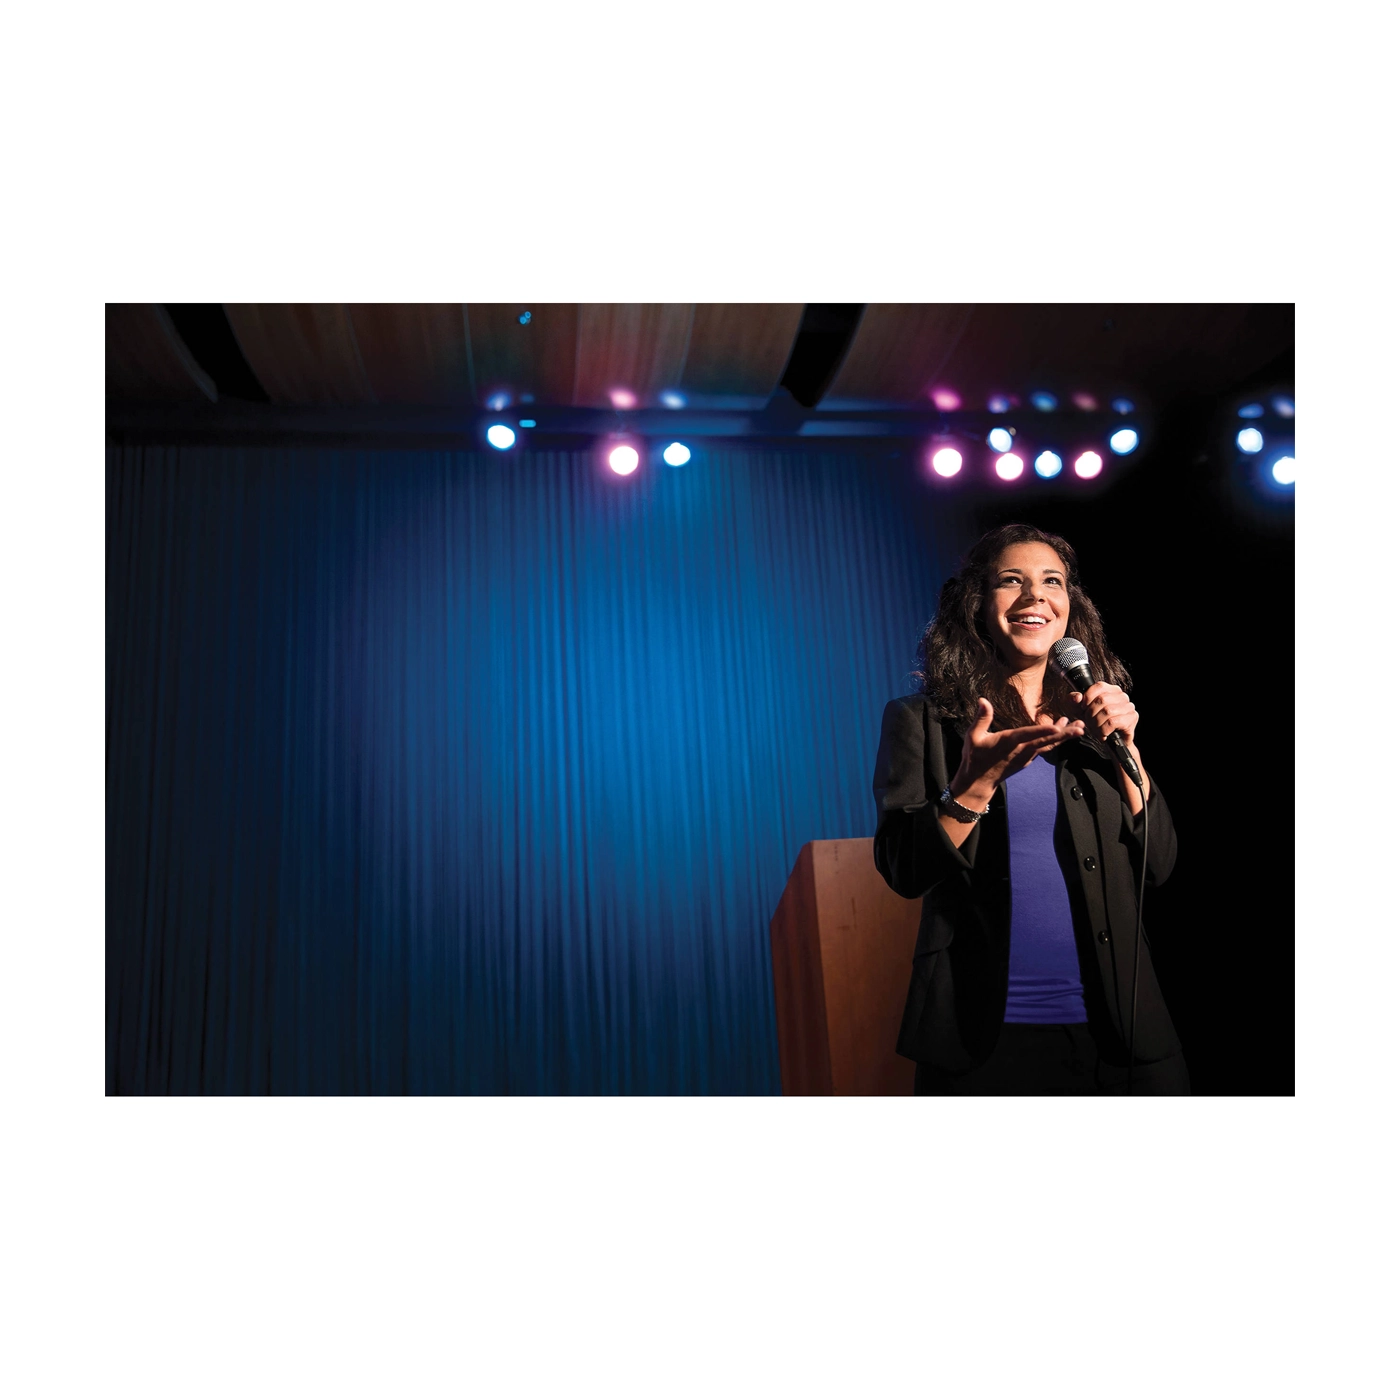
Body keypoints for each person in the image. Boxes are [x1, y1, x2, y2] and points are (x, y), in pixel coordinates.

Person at [871, 522, 1189, 1094]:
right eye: (1011, 581)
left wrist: (1127, 750)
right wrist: (973, 785)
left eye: (1052, 582)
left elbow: (1159, 863)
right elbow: (903, 869)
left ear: (1070, 607)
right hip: (983, 1042)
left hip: (1123, 1039)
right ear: (976, 605)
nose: (1035, 596)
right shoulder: (923, 720)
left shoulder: (1099, 722)